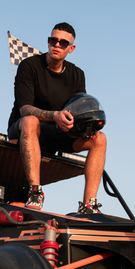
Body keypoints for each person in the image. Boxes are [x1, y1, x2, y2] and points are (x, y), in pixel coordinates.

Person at [7, 22, 107, 214]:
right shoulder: (29, 66)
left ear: (71, 48)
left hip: (60, 130)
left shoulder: (77, 74)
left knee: (99, 139)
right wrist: (55, 115)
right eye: (53, 40)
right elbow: (25, 109)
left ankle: (89, 205)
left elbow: (79, 107)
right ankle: (35, 192)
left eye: (63, 42)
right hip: (26, 128)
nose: (57, 45)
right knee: (30, 121)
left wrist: (86, 127)